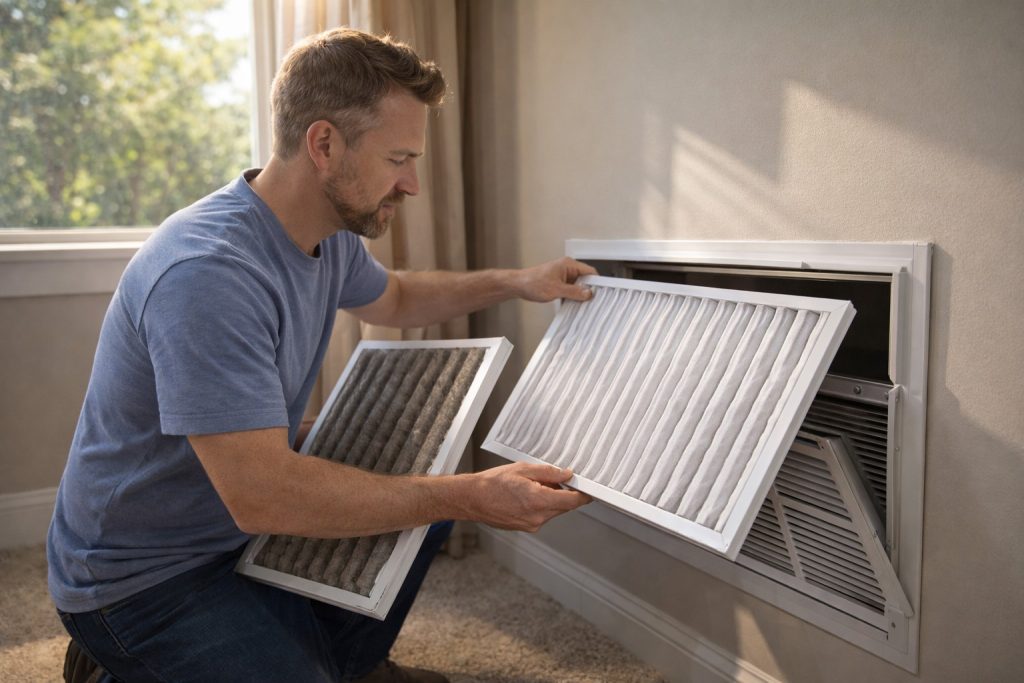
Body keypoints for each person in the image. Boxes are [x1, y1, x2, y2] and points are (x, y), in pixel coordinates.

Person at [47, 27, 594, 683]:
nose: (413, 184)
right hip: (140, 577)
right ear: (325, 144)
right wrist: (471, 496)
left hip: (233, 529)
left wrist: (515, 281)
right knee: (438, 499)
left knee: (421, 503)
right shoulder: (206, 273)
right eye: (398, 159)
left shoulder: (324, 234)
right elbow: (264, 495)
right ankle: (115, 659)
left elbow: (394, 298)